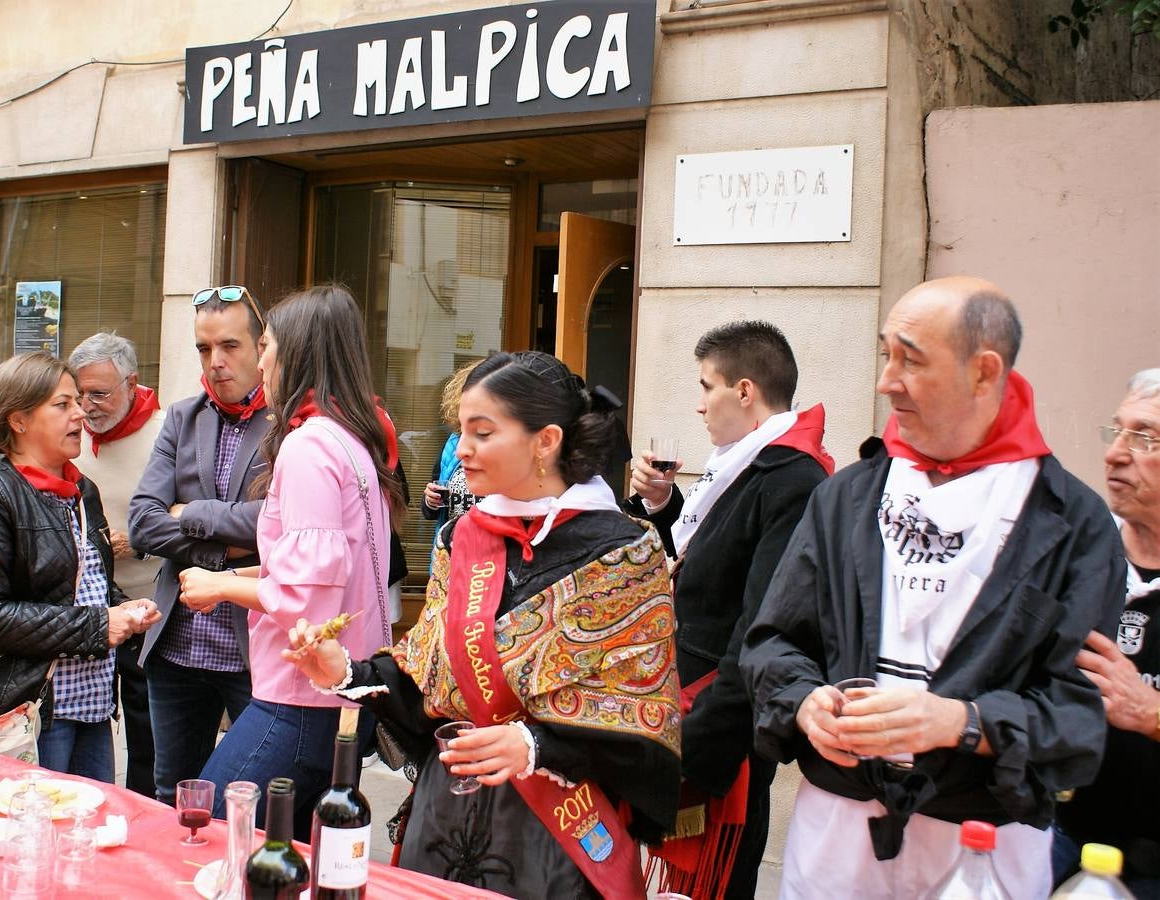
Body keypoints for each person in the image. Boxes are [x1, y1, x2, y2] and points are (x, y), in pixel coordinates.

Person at [740, 276, 1126, 899]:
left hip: (982, 837)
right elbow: (772, 643)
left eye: (910, 360)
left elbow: (1079, 715)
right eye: (885, 353)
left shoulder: (1072, 523)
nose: (885, 380)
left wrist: (960, 721)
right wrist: (806, 701)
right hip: (837, 827)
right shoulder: (847, 498)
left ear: (984, 371)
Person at [284, 350, 682, 898]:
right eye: (460, 431)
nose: (461, 450)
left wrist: (536, 745)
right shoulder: (461, 537)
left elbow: (642, 721)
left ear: (545, 441)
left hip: (553, 838)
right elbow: (428, 679)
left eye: (482, 432)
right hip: (444, 817)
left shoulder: (624, 553)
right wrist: (345, 672)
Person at [177, 284, 404, 836]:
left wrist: (222, 588)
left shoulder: (309, 446)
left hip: (301, 698)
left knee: (206, 832)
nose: (261, 357)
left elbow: (304, 594)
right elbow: (320, 567)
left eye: (268, 343)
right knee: (291, 856)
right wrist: (228, 576)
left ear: (297, 353)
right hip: (340, 692)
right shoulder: (352, 438)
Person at [624, 321, 833, 899]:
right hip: (699, 700)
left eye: (706, 386)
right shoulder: (749, 463)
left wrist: (698, 743)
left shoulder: (792, 475)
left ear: (744, 391)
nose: (699, 405)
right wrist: (667, 508)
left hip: (724, 714)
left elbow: (764, 618)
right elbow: (712, 562)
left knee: (718, 879)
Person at [0, 352, 161, 780]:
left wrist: (126, 608)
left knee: (87, 835)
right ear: (18, 420)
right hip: (27, 710)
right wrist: (99, 626)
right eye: (63, 405)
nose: (80, 413)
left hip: (92, 706)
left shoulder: (82, 488)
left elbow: (86, 583)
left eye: (78, 402)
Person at [128, 286, 272, 804]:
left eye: (230, 346)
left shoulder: (292, 424)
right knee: (174, 796)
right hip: (177, 648)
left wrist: (190, 513)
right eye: (204, 349)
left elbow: (278, 526)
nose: (216, 362)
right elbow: (143, 523)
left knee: (259, 800)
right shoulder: (183, 417)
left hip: (254, 649)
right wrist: (221, 553)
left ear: (262, 346)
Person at [1054, 368, 1160, 896]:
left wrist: (1153, 715)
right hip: (1058, 834)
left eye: (1144, 437)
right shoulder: (1080, 556)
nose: (1116, 453)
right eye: (1115, 431)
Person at [70, 332, 164, 798]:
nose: (87, 406)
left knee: (147, 737)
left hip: (148, 607)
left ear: (131, 383)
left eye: (100, 394)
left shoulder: (167, 431)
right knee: (87, 730)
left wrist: (140, 542)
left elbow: (191, 513)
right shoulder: (69, 433)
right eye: (79, 392)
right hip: (84, 612)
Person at [421, 361, 481, 543]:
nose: (462, 451)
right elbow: (431, 510)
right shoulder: (453, 442)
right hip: (450, 555)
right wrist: (430, 500)